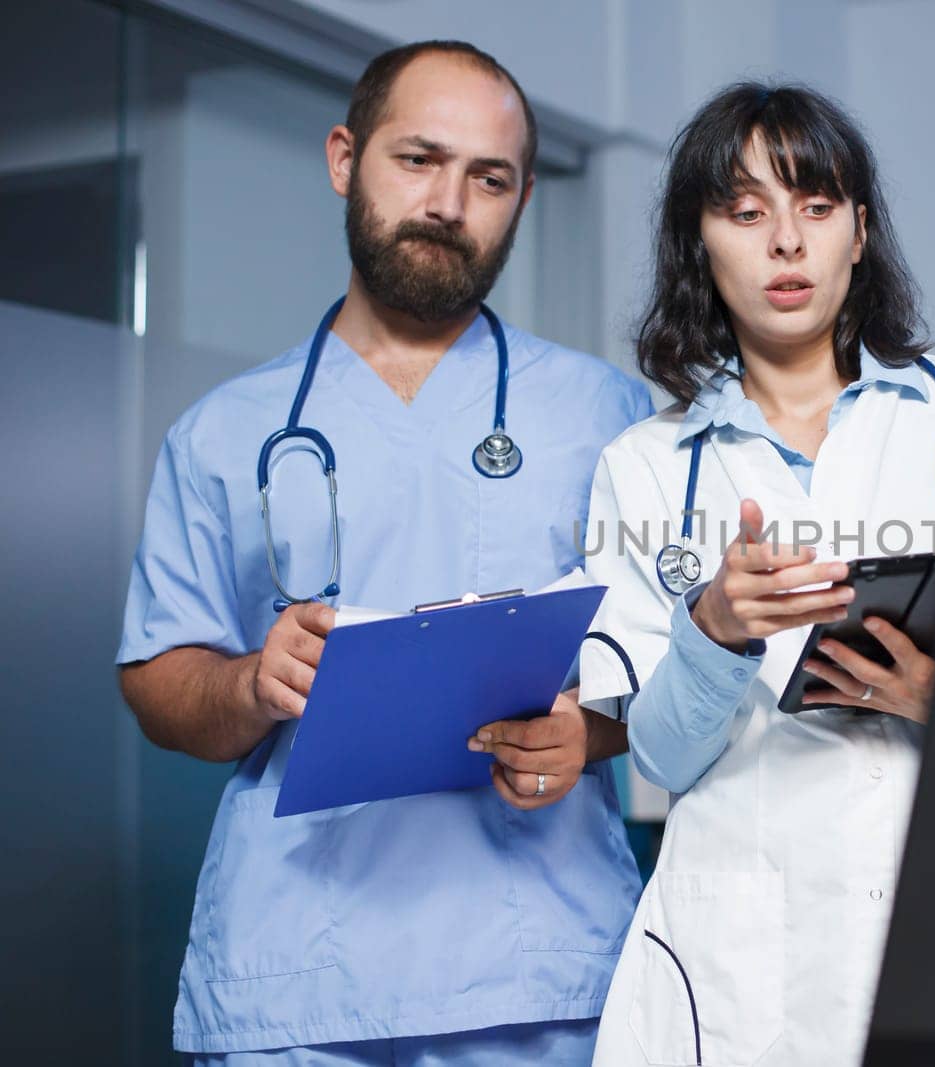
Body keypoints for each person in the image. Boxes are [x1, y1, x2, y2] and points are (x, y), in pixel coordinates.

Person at [117, 41, 651, 1064]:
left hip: (538, 974)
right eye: (417, 158)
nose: (449, 201)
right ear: (343, 159)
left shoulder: (607, 414)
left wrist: (593, 728)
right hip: (300, 982)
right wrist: (248, 681)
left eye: (487, 177)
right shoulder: (224, 431)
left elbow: (679, 664)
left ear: (522, 197)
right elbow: (158, 677)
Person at [572, 83, 935, 1066]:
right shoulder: (644, 465)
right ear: (700, 241)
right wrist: (715, 629)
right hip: (740, 951)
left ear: (859, 232)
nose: (786, 242)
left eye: (815, 207)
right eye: (745, 211)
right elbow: (659, 754)